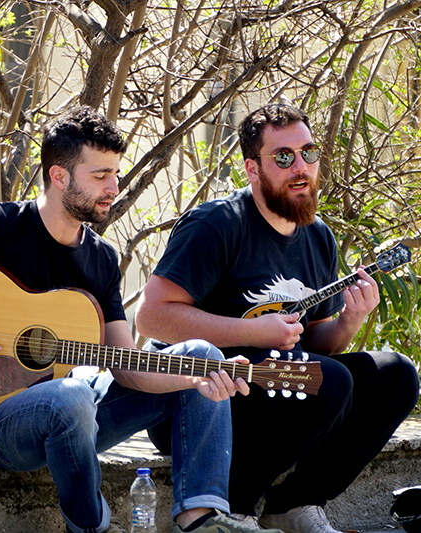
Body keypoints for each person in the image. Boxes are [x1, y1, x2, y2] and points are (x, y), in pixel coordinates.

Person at [0, 106, 276, 533]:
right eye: (100, 176)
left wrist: (195, 378)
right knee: (70, 395)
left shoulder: (101, 259)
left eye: (115, 174)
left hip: (71, 414)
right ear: (59, 175)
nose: (113, 187)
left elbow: (127, 367)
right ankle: (91, 527)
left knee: (203, 354)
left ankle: (202, 518)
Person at [135, 103, 420, 533]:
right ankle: (236, 508)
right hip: (198, 395)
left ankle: (293, 504)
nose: (301, 166)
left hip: (273, 388)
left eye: (308, 152)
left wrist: (348, 322)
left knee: (395, 375)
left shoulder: (317, 237)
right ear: (252, 168)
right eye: (283, 157)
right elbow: (151, 317)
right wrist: (251, 331)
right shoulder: (218, 225)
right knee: (327, 380)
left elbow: (313, 343)